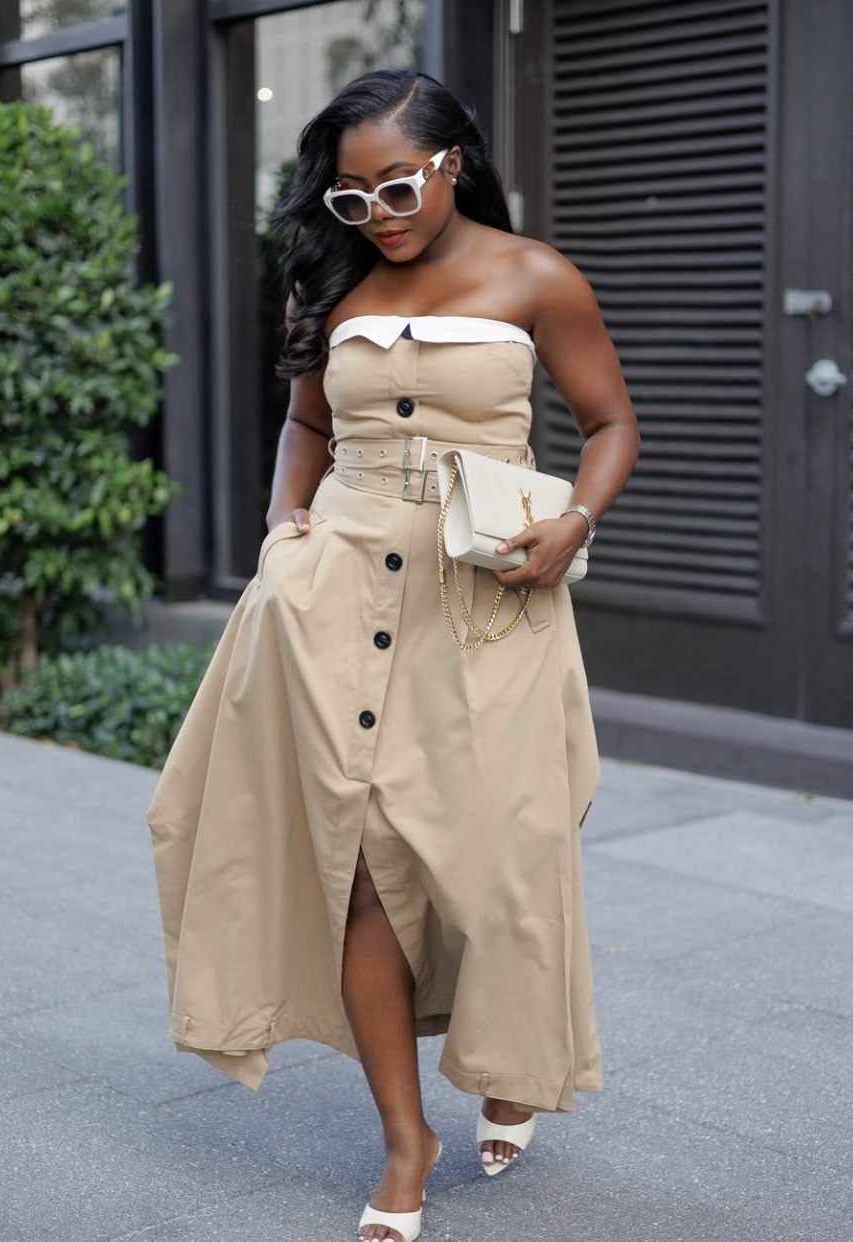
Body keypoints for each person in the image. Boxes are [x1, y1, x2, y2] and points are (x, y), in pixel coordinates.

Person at [147, 69, 639, 1242]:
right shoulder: (337, 278)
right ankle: (404, 1142)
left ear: (452, 161)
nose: (376, 212)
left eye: (395, 185)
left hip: (489, 600)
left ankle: (511, 1060)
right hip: (338, 594)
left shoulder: (536, 277)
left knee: (502, 860)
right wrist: (280, 529)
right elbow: (307, 423)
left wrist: (574, 519)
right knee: (358, 864)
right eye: (351, 197)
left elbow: (611, 422)